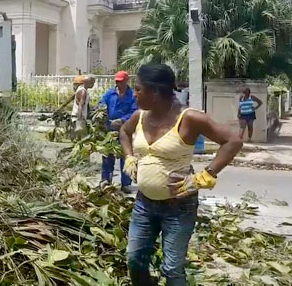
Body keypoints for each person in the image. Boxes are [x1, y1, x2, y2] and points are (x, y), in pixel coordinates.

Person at [119, 64, 242, 286]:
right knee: (135, 261)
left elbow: (232, 141)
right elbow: (124, 133)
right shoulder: (139, 116)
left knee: (172, 269)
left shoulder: (189, 118)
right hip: (144, 204)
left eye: (138, 89)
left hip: (178, 207)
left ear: (154, 92)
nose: (134, 93)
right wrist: (129, 157)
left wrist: (206, 175)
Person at [98, 71, 138, 192]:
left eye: (120, 81)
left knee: (125, 156)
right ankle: (106, 181)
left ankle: (125, 184)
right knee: (107, 155)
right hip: (109, 130)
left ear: (126, 81)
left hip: (125, 130)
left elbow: (135, 111)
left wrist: (122, 120)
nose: (118, 83)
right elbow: (101, 103)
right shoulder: (110, 93)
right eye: (117, 81)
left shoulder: (132, 95)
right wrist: (101, 111)